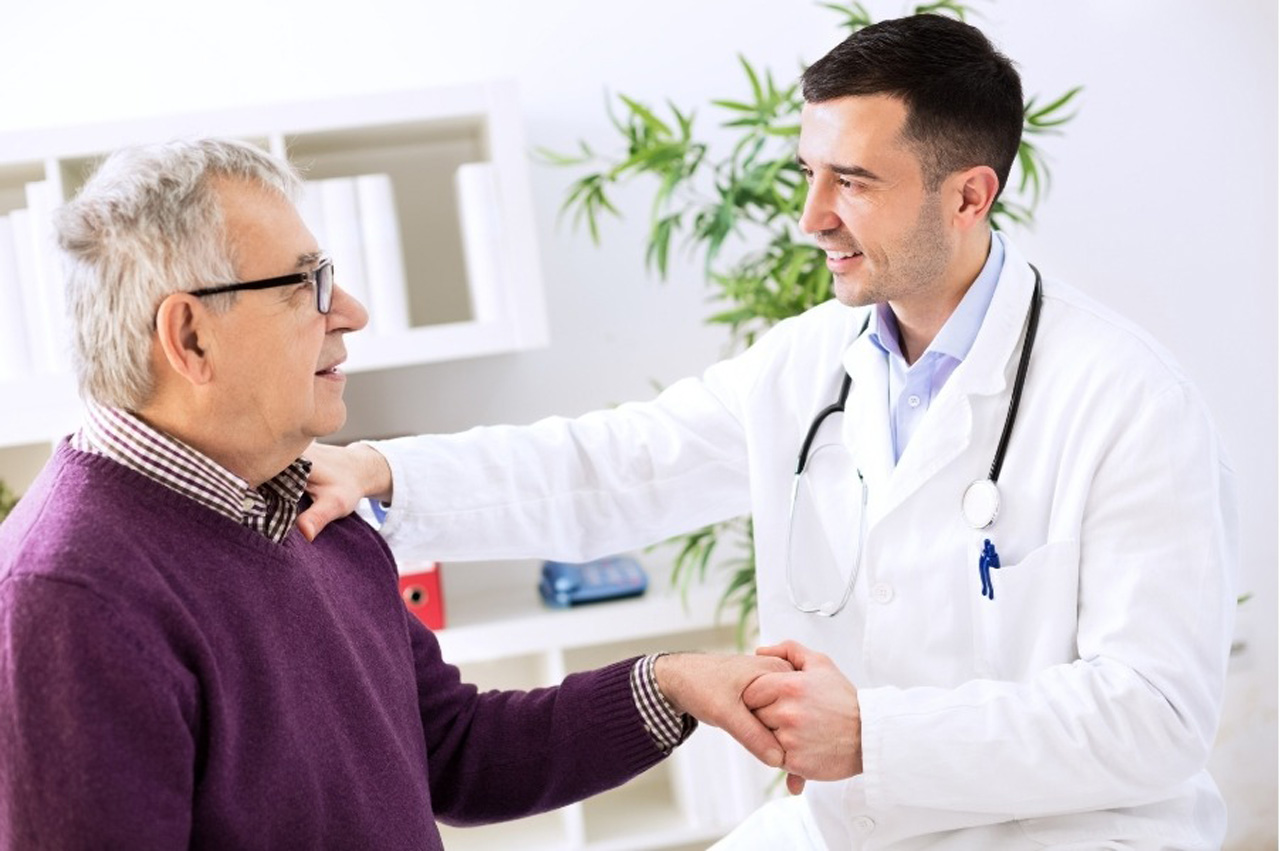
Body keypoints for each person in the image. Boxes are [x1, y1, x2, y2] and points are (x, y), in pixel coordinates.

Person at [299, 14, 1238, 851]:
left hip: (1068, 829)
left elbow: (1155, 715)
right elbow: (616, 464)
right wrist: (381, 472)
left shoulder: (1126, 400)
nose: (810, 217)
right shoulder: (808, 363)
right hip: (853, 820)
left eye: (854, 182)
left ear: (968, 195)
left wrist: (872, 733)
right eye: (809, 173)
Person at [0, 138, 796, 849]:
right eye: (306, 285)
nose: (349, 311)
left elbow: (453, 748)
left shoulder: (307, 508)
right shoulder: (68, 599)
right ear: (191, 336)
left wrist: (672, 682)